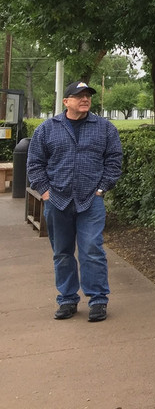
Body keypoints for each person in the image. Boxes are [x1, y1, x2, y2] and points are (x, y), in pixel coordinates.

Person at [27, 80, 122, 322]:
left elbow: (113, 161)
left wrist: (101, 189)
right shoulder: (47, 129)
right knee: (62, 252)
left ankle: (98, 299)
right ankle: (68, 299)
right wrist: (46, 192)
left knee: (92, 249)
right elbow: (35, 164)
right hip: (57, 201)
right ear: (66, 101)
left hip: (91, 200)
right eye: (78, 95)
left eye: (87, 95)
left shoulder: (105, 128)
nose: (85, 99)